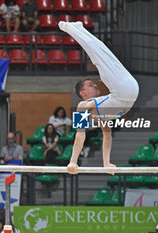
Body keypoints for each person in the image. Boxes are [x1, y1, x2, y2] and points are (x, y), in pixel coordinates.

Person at [58, 21, 139, 174]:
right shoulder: (85, 106)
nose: (95, 85)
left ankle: (76, 28)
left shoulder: (96, 107)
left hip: (125, 88)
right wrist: (74, 162)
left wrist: (104, 162)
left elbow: (95, 135)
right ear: (83, 93)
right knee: (99, 53)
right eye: (90, 85)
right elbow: (90, 135)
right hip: (127, 90)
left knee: (100, 52)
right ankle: (74, 28)